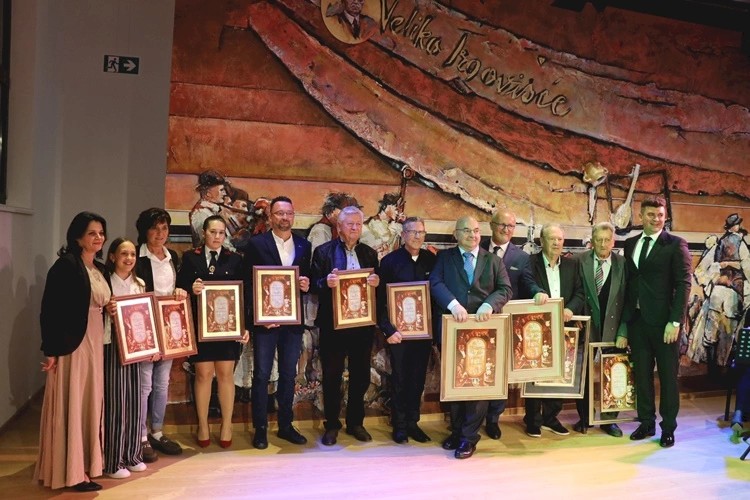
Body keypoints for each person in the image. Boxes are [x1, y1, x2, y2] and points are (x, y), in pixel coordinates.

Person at [35, 211, 112, 492]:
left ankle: (85, 466)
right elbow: (50, 310)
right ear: (78, 237)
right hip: (73, 345)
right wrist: (51, 350)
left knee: (89, 403)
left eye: (101, 233)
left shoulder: (99, 268)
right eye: (92, 233)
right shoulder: (66, 266)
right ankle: (72, 473)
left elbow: (100, 303)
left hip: (95, 343)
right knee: (74, 403)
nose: (98, 238)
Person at [430, 216, 512, 459]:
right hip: (453, 330)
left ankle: (468, 437)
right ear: (456, 234)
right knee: (455, 383)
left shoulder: (494, 260)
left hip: (483, 333)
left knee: (477, 385)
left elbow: (505, 289)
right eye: (466, 231)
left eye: (476, 230)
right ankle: (457, 431)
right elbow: (435, 283)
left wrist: (489, 304)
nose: (472, 235)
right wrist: (453, 304)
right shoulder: (444, 258)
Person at [244, 196, 312, 449]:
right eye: (280, 213)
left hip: (293, 322)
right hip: (266, 323)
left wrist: (306, 284)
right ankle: (260, 429)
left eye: (289, 213)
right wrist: (258, 317)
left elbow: (308, 278)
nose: (285, 217)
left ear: (294, 216)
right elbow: (248, 284)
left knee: (288, 374)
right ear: (270, 217)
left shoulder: (304, 245)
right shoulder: (256, 244)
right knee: (262, 375)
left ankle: (285, 425)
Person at [623, 196, 691, 448]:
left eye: (660, 215)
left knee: (668, 378)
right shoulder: (630, 244)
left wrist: (675, 321)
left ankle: (668, 428)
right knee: (642, 376)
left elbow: (684, 284)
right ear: (641, 216)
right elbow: (630, 283)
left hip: (665, 325)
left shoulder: (676, 244)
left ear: (665, 217)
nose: (656, 219)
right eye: (651, 214)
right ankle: (646, 423)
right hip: (638, 322)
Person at [177, 215, 249, 448]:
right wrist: (191, 288)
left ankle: (226, 425)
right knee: (203, 374)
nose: (217, 237)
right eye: (212, 232)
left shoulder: (235, 259)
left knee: (226, 375)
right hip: (202, 328)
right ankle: (203, 424)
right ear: (204, 233)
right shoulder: (191, 258)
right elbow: (180, 288)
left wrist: (245, 326)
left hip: (227, 328)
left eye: (221, 233)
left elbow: (244, 295)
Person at [311, 206, 380, 445]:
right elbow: (311, 284)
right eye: (349, 224)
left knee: (361, 375)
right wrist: (325, 282)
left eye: (358, 224)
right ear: (339, 227)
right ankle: (332, 425)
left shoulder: (370, 254)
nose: (354, 228)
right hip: (333, 325)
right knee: (332, 375)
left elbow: (378, 288)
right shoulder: (323, 252)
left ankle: (355, 423)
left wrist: (377, 281)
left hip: (362, 325)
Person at [481, 210, 545, 439]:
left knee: (500, 373)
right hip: (478, 319)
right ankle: (469, 419)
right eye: (502, 225)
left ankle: (493, 420)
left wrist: (538, 292)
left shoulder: (521, 257)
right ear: (491, 225)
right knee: (476, 368)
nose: (506, 230)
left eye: (511, 226)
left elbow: (528, 282)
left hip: (505, 322)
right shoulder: (477, 248)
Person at [377, 217, 436, 444]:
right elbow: (380, 300)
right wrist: (388, 330)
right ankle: (399, 425)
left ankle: (413, 422)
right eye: (413, 232)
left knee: (418, 379)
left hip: (423, 334)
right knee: (400, 379)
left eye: (421, 232)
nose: (417, 236)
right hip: (398, 335)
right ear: (403, 235)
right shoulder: (390, 262)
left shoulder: (431, 260)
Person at [523, 223, 585, 438]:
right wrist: (537, 292)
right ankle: (532, 420)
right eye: (552, 239)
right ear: (542, 241)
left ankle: (550, 418)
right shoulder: (530, 262)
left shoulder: (572, 265)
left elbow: (580, 292)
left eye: (560, 239)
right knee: (535, 373)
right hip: (537, 328)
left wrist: (571, 309)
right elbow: (527, 282)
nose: (557, 243)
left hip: (564, 327)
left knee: (559, 372)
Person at [134, 208, 186, 462]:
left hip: (168, 327)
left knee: (162, 382)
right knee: (144, 383)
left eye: (164, 228)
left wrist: (180, 291)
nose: (160, 233)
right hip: (143, 327)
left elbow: (178, 287)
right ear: (144, 230)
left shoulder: (172, 256)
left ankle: (157, 431)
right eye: (154, 228)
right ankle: (140, 435)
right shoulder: (136, 255)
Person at [575, 222, 628, 437]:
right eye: (599, 240)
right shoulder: (580, 261)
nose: (603, 244)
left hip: (614, 328)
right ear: (592, 241)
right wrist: (576, 319)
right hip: (587, 326)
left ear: (613, 242)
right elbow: (575, 291)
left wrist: (623, 331)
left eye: (607, 240)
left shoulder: (623, 264)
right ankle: (585, 418)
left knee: (614, 373)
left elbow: (628, 299)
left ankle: (609, 420)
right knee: (584, 373)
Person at [103, 238, 147, 479]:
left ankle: (133, 455)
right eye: (123, 254)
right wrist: (106, 310)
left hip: (136, 347)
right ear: (112, 256)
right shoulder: (105, 282)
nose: (129, 258)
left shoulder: (140, 284)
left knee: (134, 402)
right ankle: (113, 460)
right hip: (113, 346)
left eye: (132, 254)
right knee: (117, 404)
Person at [360, 192, 405, 261]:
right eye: (396, 209)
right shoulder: (373, 223)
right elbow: (385, 239)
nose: (398, 213)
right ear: (387, 206)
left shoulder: (396, 225)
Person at [189, 170, 227, 247]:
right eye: (221, 190)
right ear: (208, 193)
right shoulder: (201, 213)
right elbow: (211, 243)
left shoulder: (211, 210)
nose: (225, 193)